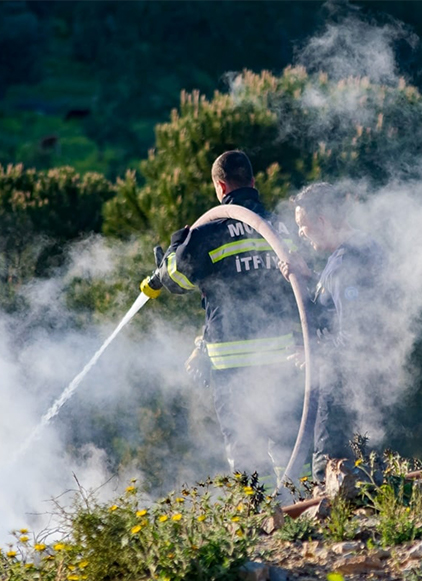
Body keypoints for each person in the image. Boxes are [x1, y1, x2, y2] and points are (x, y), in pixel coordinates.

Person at [154, 150, 300, 475]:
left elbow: (176, 280)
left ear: (220, 187)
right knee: (287, 442)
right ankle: (299, 509)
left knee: (245, 447)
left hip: (232, 366)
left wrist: (177, 246)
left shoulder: (208, 232)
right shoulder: (279, 228)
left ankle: (256, 518)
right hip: (280, 359)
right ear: (252, 181)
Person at [279, 182, 386, 483]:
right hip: (366, 388)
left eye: (304, 225)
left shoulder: (346, 265)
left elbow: (355, 336)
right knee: (370, 474)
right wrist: (308, 275)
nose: (301, 232)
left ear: (323, 221)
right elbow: (340, 300)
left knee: (329, 474)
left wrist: (312, 354)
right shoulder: (362, 248)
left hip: (342, 393)